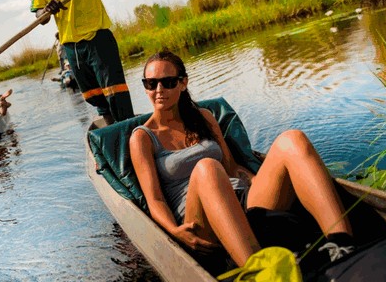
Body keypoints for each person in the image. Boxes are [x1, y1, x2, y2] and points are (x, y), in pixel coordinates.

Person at [128, 50, 356, 268]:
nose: (158, 89)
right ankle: (262, 273)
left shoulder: (204, 117)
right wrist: (174, 232)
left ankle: (343, 242)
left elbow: (232, 167)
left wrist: (261, 182)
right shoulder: (142, 138)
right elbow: (155, 199)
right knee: (207, 167)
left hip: (240, 199)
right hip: (200, 221)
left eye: (167, 82)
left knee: (292, 139)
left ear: (183, 83)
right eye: (150, 83)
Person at [31, 0, 163, 124]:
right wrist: (46, 10)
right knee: (98, 101)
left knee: (117, 97)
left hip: (97, 39)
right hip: (71, 47)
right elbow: (40, 17)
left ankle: (133, 142)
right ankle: (117, 143)